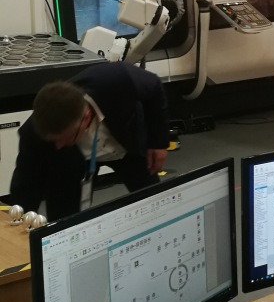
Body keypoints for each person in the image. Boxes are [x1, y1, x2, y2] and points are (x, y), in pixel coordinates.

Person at [8, 62, 170, 221]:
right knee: (64, 221)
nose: (58, 145)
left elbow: (154, 87)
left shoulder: (116, 79)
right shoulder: (33, 133)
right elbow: (25, 188)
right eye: (54, 140)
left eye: (64, 138)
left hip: (127, 142)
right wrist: (18, 223)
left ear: (85, 118)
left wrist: (158, 143)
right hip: (74, 163)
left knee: (154, 202)